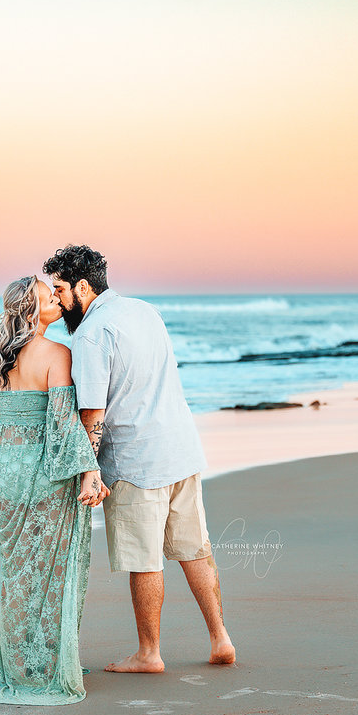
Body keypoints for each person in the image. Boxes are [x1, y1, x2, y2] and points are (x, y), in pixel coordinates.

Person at [43, 245, 235, 673]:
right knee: (194, 551)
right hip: (181, 448)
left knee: (143, 559)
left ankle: (149, 653)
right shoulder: (145, 311)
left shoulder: (92, 334)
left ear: (83, 287)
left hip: (135, 460)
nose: (56, 300)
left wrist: (87, 470)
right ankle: (221, 638)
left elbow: (92, 412)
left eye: (59, 290)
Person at [0, 275, 110, 705]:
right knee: (52, 570)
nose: (57, 303)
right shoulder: (57, 354)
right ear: (31, 310)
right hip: (45, 474)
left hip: (6, 474)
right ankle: (45, 663)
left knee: (18, 572)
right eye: (50, 298)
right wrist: (88, 471)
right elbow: (64, 425)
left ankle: (18, 660)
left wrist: (2, 453)